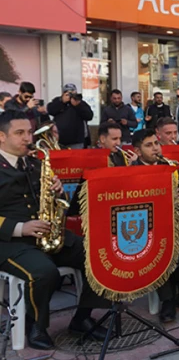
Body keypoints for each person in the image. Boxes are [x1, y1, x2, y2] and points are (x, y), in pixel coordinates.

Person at [0, 111, 110, 350]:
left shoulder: (35, 163)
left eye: (29, 132)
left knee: (99, 253)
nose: (27, 138)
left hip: (46, 235)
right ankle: (35, 325)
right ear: (1, 136)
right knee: (44, 272)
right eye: (19, 133)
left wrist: (58, 191)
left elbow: (60, 203)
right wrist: (21, 228)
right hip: (10, 241)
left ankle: (82, 318)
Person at [130, 129, 179, 322]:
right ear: (138, 151)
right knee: (157, 247)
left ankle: (176, 282)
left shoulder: (169, 166)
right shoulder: (131, 172)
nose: (155, 148)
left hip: (175, 219)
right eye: (149, 146)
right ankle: (167, 300)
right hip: (147, 226)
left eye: (156, 143)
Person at [47, 84, 94, 149]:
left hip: (76, 141)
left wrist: (78, 105)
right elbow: (50, 110)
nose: (70, 96)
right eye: (68, 93)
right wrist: (62, 102)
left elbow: (89, 116)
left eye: (72, 93)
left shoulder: (80, 102)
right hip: (60, 140)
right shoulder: (58, 101)